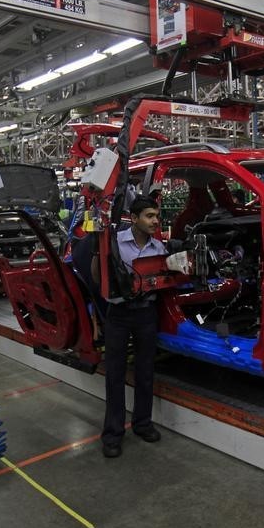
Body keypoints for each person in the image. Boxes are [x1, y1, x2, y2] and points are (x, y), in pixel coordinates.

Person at [101, 195, 167, 458]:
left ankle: (142, 423)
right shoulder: (114, 243)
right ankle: (113, 434)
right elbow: (98, 275)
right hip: (118, 313)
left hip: (146, 314)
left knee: (145, 371)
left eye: (156, 216)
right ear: (135, 217)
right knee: (115, 375)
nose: (155, 221)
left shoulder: (159, 248)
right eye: (149, 216)